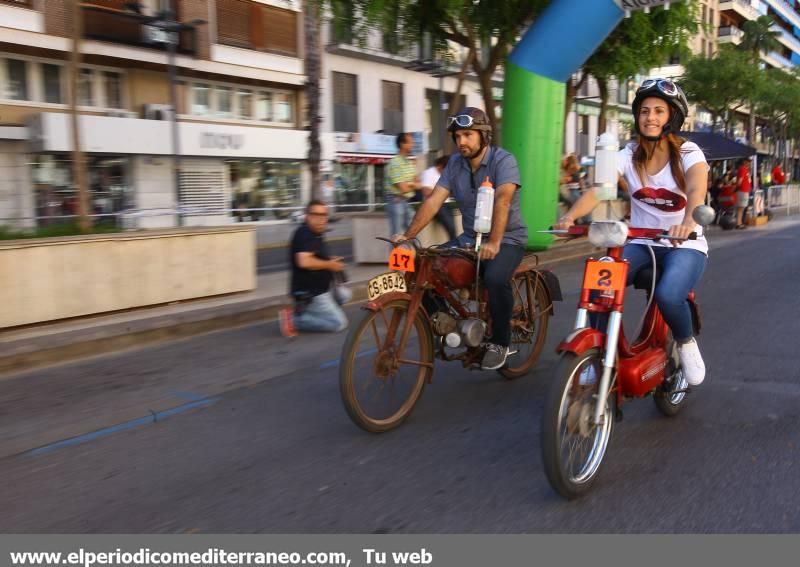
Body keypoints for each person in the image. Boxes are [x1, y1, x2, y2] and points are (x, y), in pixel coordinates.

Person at [555, 78, 708, 387]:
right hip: (640, 241)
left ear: (672, 116)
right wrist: (569, 216)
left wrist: (689, 222)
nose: (650, 117)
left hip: (685, 244)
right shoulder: (627, 154)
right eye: (644, 111)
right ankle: (598, 353)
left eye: (659, 111)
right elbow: (600, 190)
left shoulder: (689, 152)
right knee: (599, 285)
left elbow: (695, 189)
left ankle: (686, 342)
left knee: (668, 294)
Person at [392, 107, 527, 371]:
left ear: (483, 136)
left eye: (468, 135)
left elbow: (503, 200)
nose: (461, 141)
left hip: (507, 238)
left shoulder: (503, 160)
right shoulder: (454, 164)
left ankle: (500, 342)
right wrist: (408, 236)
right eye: (458, 136)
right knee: (424, 266)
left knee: (495, 278)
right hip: (469, 238)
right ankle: (447, 323)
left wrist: (495, 242)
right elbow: (433, 202)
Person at [279, 200, 351, 338]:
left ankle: (307, 310)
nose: (321, 219)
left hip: (323, 288)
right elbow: (304, 261)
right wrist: (330, 265)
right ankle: (295, 320)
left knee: (345, 295)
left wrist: (329, 259)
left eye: (324, 215)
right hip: (311, 292)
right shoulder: (304, 232)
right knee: (338, 323)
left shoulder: (317, 232)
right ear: (307, 216)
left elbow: (315, 255)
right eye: (316, 214)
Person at [385, 132, 421, 236]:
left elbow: (418, 182)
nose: (413, 145)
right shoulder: (395, 162)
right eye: (410, 143)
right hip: (396, 201)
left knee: (413, 232)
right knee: (397, 236)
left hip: (405, 201)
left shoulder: (409, 163)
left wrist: (411, 184)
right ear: (402, 144)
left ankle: (415, 253)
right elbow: (403, 188)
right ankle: (395, 253)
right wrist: (413, 185)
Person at [419, 155, 457, 240]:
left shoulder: (446, 175)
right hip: (435, 204)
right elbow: (426, 191)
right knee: (451, 228)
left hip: (445, 204)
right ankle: (453, 248)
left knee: (453, 229)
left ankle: (454, 247)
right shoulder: (429, 173)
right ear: (440, 166)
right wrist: (443, 193)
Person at [735, 158, 752, 229]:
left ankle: (740, 222)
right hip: (742, 191)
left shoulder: (745, 169)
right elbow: (740, 180)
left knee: (742, 207)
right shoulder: (742, 169)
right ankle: (738, 223)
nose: (749, 163)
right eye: (748, 162)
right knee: (740, 208)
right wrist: (737, 188)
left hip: (745, 190)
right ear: (744, 162)